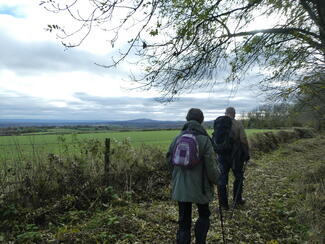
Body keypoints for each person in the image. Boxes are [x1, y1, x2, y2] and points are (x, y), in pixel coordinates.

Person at [166, 108, 220, 244]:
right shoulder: (205, 140)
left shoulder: (178, 138)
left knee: (184, 220)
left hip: (181, 186)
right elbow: (211, 166)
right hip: (200, 187)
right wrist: (217, 180)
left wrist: (175, 178)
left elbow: (169, 160)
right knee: (204, 215)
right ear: (201, 121)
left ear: (187, 119)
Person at [216, 107, 250, 210]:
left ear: (225, 113)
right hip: (235, 156)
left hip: (221, 155)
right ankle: (237, 200)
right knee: (238, 177)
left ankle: (223, 204)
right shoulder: (237, 124)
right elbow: (243, 139)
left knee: (222, 178)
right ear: (234, 114)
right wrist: (247, 153)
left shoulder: (219, 123)